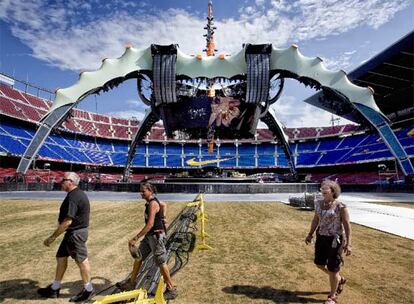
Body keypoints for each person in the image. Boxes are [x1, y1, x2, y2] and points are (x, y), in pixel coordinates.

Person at [37, 172, 94, 302]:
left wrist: (52, 237)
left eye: (64, 180)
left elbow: (68, 221)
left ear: (71, 182)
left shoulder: (74, 197)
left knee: (82, 260)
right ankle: (55, 288)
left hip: (75, 234)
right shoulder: (74, 194)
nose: (61, 182)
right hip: (72, 233)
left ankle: (88, 290)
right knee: (61, 257)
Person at [118, 182, 177, 300]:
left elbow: (150, 224)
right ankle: (131, 283)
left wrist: (135, 238)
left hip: (156, 236)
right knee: (139, 257)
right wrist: (164, 217)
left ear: (150, 191)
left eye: (143, 191)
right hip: (149, 236)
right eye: (140, 191)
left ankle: (171, 289)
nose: (141, 193)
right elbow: (164, 205)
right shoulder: (152, 202)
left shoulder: (153, 203)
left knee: (161, 262)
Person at [305, 180, 352, 304]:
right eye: (322, 189)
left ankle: (332, 297)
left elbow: (347, 225)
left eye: (326, 189)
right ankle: (339, 279)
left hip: (335, 240)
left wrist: (349, 243)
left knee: (333, 268)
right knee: (319, 264)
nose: (323, 191)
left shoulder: (340, 206)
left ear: (333, 191)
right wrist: (310, 234)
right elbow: (316, 219)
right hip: (321, 237)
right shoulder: (318, 203)